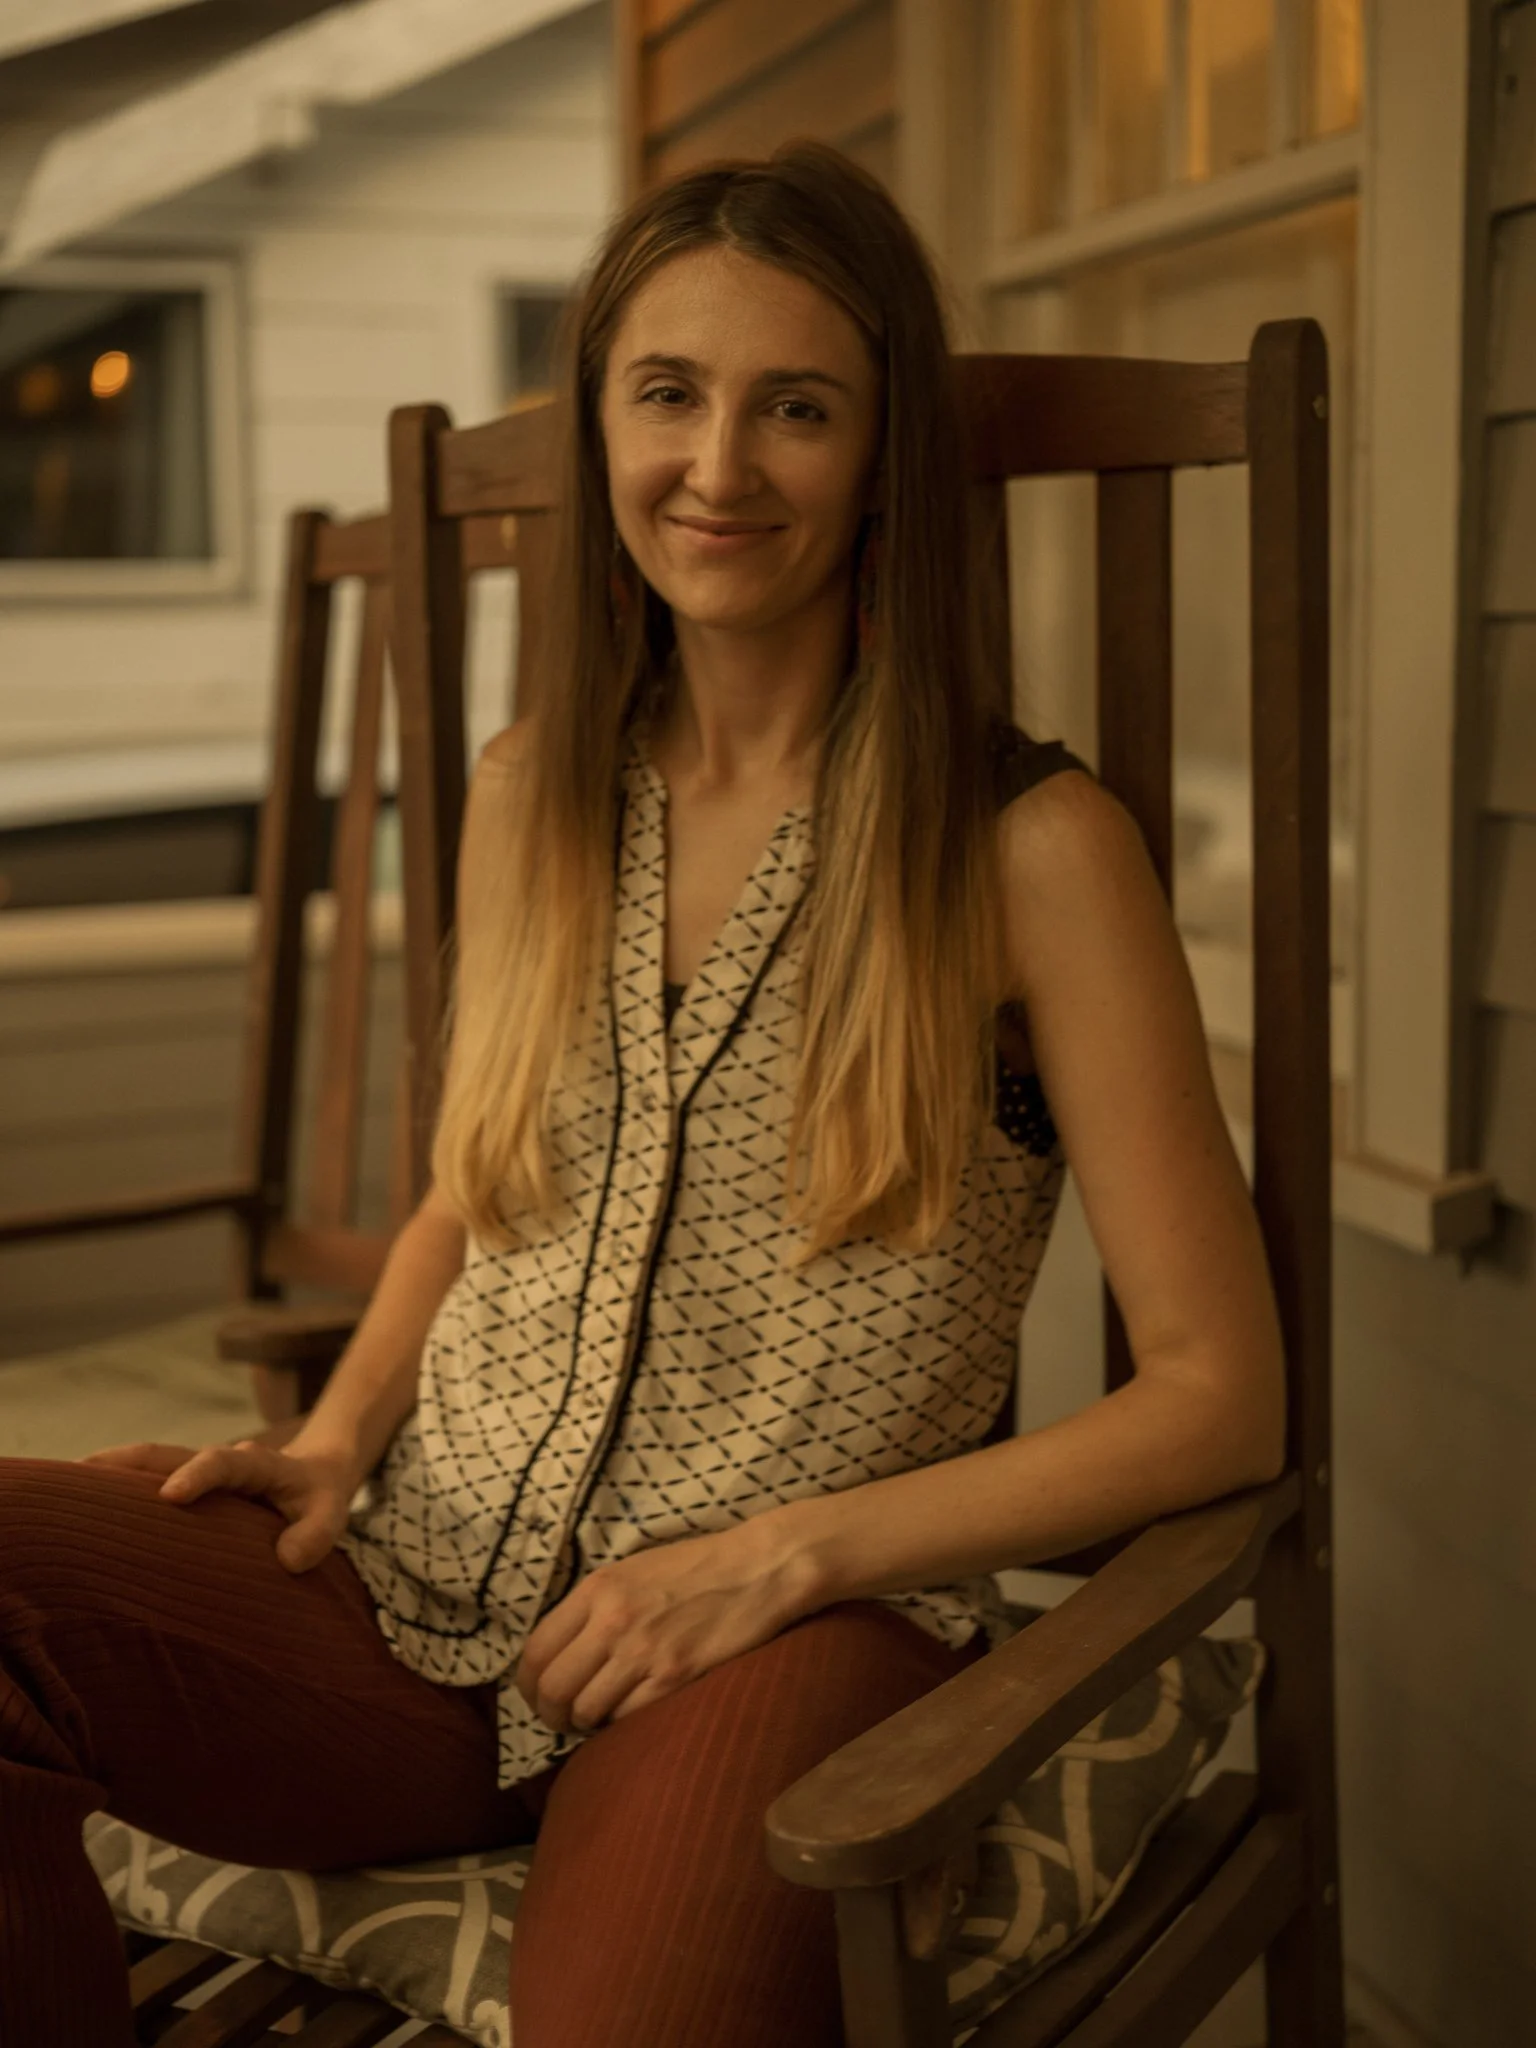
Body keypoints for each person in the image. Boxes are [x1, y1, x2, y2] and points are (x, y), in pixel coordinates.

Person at [0, 143, 1286, 2047]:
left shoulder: (1030, 848)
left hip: (777, 1632)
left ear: (880, 458)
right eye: (667, 394)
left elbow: (1220, 1393)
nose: (719, 466)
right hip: (414, 1591)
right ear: (601, 420)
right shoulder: (535, 789)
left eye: (797, 407)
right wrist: (344, 1430)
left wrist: (780, 1559)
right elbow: (478, 1182)